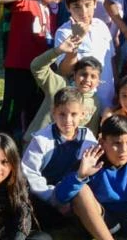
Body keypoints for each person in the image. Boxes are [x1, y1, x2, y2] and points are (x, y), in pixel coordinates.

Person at [0, 0, 68, 140]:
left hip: (41, 68)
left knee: (33, 106)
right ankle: (0, 139)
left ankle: (25, 141)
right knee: (12, 106)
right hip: (19, 64)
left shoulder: (54, 13)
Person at [22, 88, 98, 230]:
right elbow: (29, 173)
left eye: (74, 114)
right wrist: (52, 197)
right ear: (53, 112)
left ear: (83, 113)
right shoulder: (41, 139)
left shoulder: (87, 137)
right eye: (62, 114)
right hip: (46, 197)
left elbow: (92, 169)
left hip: (73, 193)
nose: (68, 120)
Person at [23, 36, 106, 144]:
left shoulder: (95, 102)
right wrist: (57, 51)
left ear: (99, 81)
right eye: (83, 74)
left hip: (64, 152)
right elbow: (36, 67)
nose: (87, 80)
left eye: (93, 77)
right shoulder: (59, 85)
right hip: (36, 144)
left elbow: (90, 132)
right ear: (74, 75)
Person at [54, 0, 117, 106]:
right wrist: (76, 39)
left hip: (107, 97)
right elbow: (64, 71)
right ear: (68, 7)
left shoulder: (101, 26)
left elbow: (112, 58)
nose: (83, 11)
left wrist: (117, 85)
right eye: (77, 6)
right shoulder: (63, 32)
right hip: (82, 101)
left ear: (94, 3)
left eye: (87, 5)